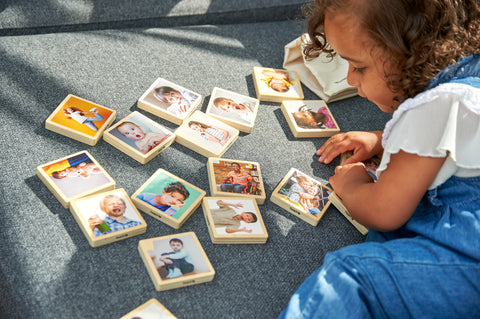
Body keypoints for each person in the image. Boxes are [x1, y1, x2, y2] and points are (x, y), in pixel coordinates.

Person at [280, 0, 480, 318]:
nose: (350, 79)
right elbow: (454, 146)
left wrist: (354, 183)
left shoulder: (433, 109)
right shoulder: (469, 76)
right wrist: (382, 140)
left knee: (349, 277)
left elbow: (382, 212)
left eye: (358, 67)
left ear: (413, 51)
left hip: (468, 265)